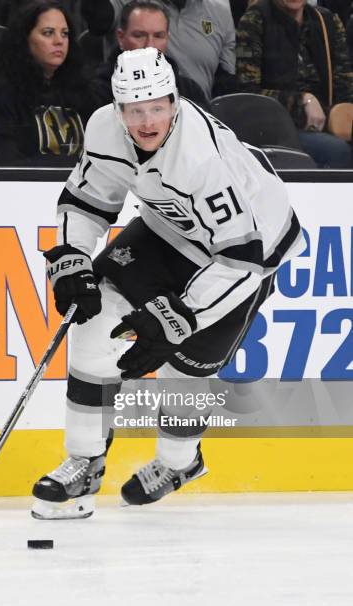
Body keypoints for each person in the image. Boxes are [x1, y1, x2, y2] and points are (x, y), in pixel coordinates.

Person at [31, 47, 305, 520]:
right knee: (94, 327)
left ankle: (180, 463)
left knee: (185, 367)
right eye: (135, 109)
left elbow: (242, 258)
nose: (147, 120)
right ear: (118, 109)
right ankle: (85, 461)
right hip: (169, 230)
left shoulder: (201, 159)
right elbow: (87, 200)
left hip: (250, 254)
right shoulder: (102, 129)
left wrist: (181, 316)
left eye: (158, 106)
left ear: (175, 101)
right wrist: (72, 256)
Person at [0, 0, 92, 166]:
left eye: (64, 33)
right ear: (25, 38)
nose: (59, 41)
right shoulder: (0, 92)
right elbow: (5, 162)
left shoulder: (79, 88)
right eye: (48, 33)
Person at [236, 0, 353, 168]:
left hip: (328, 123)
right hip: (277, 127)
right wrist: (301, 101)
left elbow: (346, 87)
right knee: (335, 150)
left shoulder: (328, 22)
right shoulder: (254, 20)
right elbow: (247, 93)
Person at [81, 0, 236, 101]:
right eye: (139, 35)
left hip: (192, 111)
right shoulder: (130, 4)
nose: (150, 45)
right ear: (121, 37)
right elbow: (99, 20)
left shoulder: (221, 9)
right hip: (121, 100)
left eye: (159, 35)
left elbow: (226, 81)